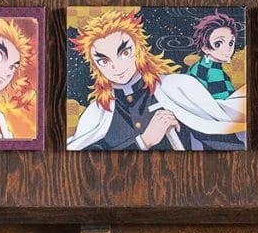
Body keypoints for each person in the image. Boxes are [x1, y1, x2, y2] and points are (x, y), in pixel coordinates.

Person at [67, 9, 246, 150]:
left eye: (125, 52)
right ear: (96, 67)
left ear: (139, 49)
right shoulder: (96, 114)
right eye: (104, 61)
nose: (116, 67)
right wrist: (144, 141)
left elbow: (221, 140)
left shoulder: (177, 88)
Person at [186, 12, 239, 100]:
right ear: (205, 48)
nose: (227, 49)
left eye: (231, 43)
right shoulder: (214, 71)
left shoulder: (199, 64)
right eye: (218, 44)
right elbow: (227, 100)